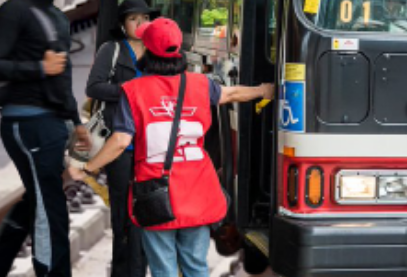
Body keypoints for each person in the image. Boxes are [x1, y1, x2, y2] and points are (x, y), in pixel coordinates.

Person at [69, 18, 274, 277]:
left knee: (163, 269)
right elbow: (231, 94)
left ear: (147, 50)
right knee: (196, 266)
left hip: (156, 194)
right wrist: (263, 90)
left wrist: (86, 167)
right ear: (179, 50)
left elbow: (121, 141)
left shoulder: (133, 91)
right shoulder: (200, 84)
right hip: (198, 192)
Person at [0, 0, 91, 277]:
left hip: (51, 122)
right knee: (48, 209)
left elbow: (62, 78)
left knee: (39, 201)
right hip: (27, 122)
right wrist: (37, 67)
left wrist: (76, 123)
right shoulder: (15, 12)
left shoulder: (57, 19)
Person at [84, 0, 156, 277]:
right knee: (122, 214)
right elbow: (95, 87)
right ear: (123, 25)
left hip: (151, 147)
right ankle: (122, 270)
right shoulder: (111, 50)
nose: (140, 24)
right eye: (133, 19)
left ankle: (139, 268)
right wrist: (129, 91)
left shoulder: (157, 52)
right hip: (119, 145)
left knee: (147, 213)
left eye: (144, 18)